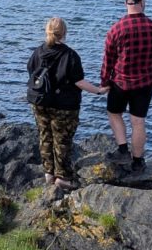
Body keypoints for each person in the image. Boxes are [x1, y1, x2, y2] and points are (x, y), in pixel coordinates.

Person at [27, 18, 108, 190]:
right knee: (62, 139)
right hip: (64, 106)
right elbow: (79, 82)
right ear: (64, 33)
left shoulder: (37, 52)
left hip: (40, 102)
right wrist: (99, 90)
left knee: (45, 135)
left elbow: (31, 72)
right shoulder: (70, 55)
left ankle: (49, 172)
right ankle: (63, 177)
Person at [101, 0, 152, 172]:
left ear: (126, 3)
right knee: (138, 122)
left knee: (114, 114)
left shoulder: (116, 29)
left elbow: (108, 60)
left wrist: (105, 82)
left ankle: (122, 150)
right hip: (145, 83)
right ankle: (138, 161)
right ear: (142, 2)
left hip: (120, 83)